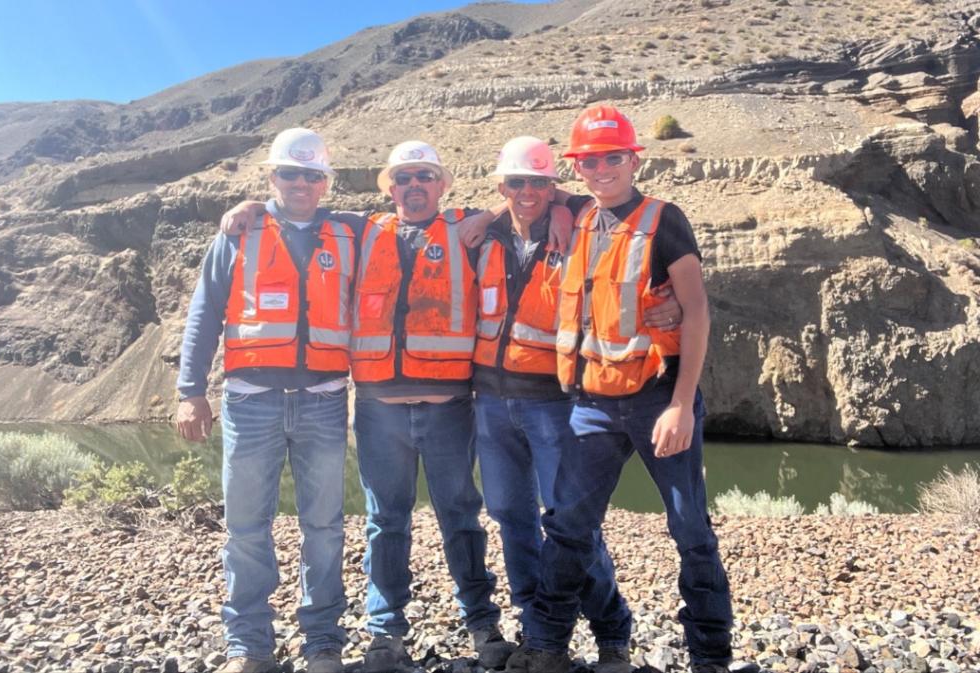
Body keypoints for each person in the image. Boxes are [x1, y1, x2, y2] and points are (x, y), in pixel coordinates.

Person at [217, 141, 520, 672]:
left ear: (442, 183)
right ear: (389, 187)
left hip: (449, 408)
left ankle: (482, 624)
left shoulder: (471, 229)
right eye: (402, 178)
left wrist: (495, 209)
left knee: (461, 518)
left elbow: (537, 204)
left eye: (424, 175)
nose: (413, 186)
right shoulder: (363, 229)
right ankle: (385, 634)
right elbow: (298, 210)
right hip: (379, 411)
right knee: (385, 522)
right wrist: (252, 208)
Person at [505, 106, 741, 673]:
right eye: (590, 159)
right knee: (567, 526)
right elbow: (527, 198)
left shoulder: (665, 219)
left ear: (634, 159)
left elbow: (697, 312)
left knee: (690, 529)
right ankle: (547, 645)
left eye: (613, 157)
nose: (602, 168)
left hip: (659, 399)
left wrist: (683, 405)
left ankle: (710, 655)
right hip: (592, 404)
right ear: (577, 168)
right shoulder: (582, 218)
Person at [472, 136, 680, 673]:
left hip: (553, 403)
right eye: (516, 182)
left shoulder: (584, 225)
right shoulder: (483, 235)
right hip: (491, 404)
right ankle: (536, 631)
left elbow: (640, 247)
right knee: (510, 519)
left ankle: (613, 631)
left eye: (538, 182)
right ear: (501, 186)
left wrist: (675, 300)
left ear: (553, 185)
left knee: (569, 524)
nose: (526, 193)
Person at [175, 128, 354, 673]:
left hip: (323, 400)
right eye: (289, 173)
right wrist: (190, 391)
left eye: (312, 174)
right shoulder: (238, 233)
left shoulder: (351, 234)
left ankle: (322, 640)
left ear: (325, 182)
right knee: (246, 526)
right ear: (271, 176)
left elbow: (418, 225)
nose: (301, 183)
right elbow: (204, 312)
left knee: (323, 526)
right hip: (250, 401)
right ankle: (249, 646)